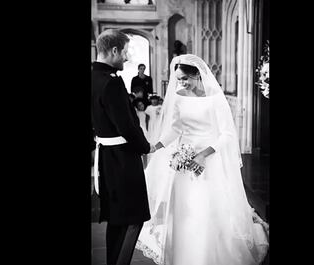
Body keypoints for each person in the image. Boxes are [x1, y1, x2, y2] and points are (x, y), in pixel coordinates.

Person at [136, 54, 269, 265]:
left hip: (209, 159)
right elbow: (175, 128)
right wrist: (156, 146)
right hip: (183, 161)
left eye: (184, 79)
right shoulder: (179, 96)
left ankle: (209, 255)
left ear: (197, 74)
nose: (181, 83)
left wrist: (202, 155)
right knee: (185, 210)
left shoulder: (215, 99)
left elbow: (227, 135)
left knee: (207, 208)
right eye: (178, 79)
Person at [91, 29, 156, 265]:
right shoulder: (112, 83)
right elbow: (127, 127)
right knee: (133, 218)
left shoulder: (93, 77)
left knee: (117, 219)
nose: (127, 58)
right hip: (122, 159)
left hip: (106, 157)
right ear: (115, 50)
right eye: (126, 52)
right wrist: (146, 147)